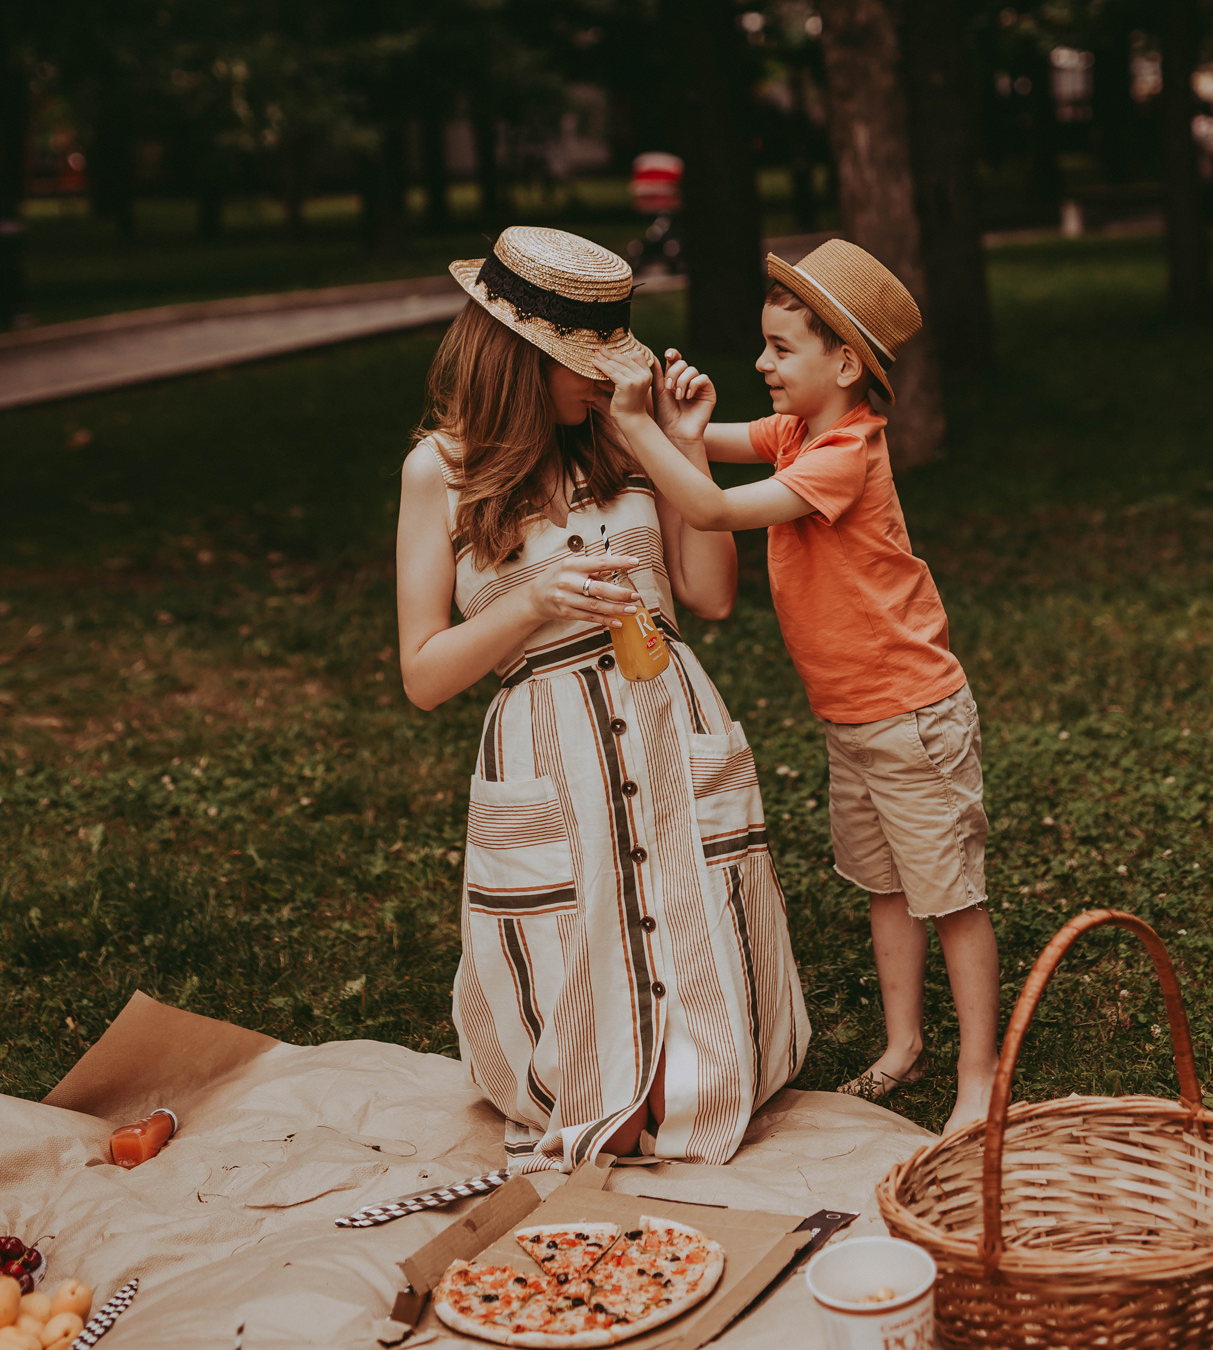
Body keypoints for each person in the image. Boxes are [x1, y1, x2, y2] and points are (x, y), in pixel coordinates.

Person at [396, 225, 808, 1173]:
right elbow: (424, 675)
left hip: (665, 711)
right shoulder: (441, 471)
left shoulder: (628, 444)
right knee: (585, 1045)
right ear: (520, 356)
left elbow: (708, 595)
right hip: (546, 747)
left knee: (695, 1068)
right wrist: (531, 604)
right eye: (585, 365)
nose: (606, 382)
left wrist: (684, 442)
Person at [595, 239, 1000, 1135]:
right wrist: (679, 421)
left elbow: (707, 508)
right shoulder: (797, 433)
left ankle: (979, 1073)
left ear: (845, 364)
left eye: (780, 349)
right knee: (884, 885)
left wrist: (640, 433)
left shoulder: (842, 455)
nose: (759, 364)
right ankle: (903, 1046)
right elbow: (707, 450)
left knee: (950, 898)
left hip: (910, 716)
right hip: (852, 720)